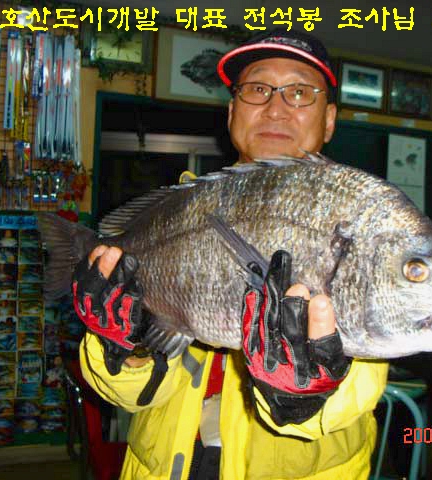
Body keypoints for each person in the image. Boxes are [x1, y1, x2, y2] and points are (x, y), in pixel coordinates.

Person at [74, 29, 388, 480]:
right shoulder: (176, 214)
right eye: (258, 89)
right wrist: (126, 348)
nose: (276, 107)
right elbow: (124, 397)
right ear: (231, 111)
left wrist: (305, 396)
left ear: (330, 120)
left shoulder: (356, 221)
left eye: (300, 92)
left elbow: (355, 396)